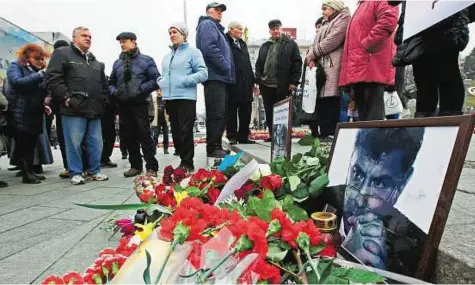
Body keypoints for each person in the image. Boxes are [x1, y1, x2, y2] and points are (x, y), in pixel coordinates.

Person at [340, 128, 426, 276]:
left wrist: (383, 275)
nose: (360, 201)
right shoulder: (323, 200)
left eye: (380, 184)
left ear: (401, 185)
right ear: (350, 160)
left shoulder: (413, 250)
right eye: (357, 174)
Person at [47, 26, 109, 185]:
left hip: (94, 109)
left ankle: (94, 171)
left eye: (90, 36)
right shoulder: (62, 54)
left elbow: (103, 84)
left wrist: (104, 100)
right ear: (74, 38)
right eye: (84, 35)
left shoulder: (96, 62)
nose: (88, 38)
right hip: (73, 108)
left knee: (96, 143)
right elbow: (53, 78)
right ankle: (75, 172)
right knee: (73, 142)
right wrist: (66, 98)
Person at [389, 1, 469, 117]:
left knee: (447, 73)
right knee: (423, 80)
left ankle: (451, 123)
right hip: (418, 25)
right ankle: (424, 124)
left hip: (446, 20)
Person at [109, 32, 160, 177]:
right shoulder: (117, 63)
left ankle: (151, 167)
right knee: (128, 136)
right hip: (123, 105)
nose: (122, 44)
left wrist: (140, 90)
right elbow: (111, 83)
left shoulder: (146, 60)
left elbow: (156, 79)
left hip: (140, 104)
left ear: (134, 42)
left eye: (124, 41)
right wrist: (115, 92)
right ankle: (135, 166)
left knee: (144, 135)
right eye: (120, 42)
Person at [159, 22, 208, 172]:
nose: (172, 35)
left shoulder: (193, 53)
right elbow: (164, 76)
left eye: (175, 32)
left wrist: (184, 80)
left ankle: (187, 163)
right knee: (175, 132)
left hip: (186, 98)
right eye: (170, 33)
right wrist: (161, 82)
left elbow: (203, 73)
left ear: (184, 35)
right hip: (170, 98)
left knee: (185, 131)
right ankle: (183, 159)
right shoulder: (167, 57)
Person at [339, 1, 399, 121]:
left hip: (371, 66)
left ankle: (373, 139)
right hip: (361, 66)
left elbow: (388, 21)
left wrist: (367, 45)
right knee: (365, 118)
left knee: (371, 119)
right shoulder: (363, 4)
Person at [306, 0, 350, 142]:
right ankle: (324, 132)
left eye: (326, 8)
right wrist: (312, 57)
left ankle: (330, 132)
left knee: (331, 99)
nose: (323, 12)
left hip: (333, 65)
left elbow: (331, 41)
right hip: (322, 67)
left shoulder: (343, 18)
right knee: (323, 100)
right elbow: (316, 42)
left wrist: (312, 54)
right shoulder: (327, 22)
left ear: (334, 7)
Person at [6, 43, 50, 184]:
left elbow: (42, 89)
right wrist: (40, 74)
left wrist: (46, 100)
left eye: (42, 58)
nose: (40, 61)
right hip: (20, 111)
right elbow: (18, 82)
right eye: (37, 58)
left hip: (34, 111)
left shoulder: (37, 70)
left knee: (31, 143)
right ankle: (26, 173)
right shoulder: (15, 66)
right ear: (27, 56)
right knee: (23, 143)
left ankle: (30, 171)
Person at [196, 2, 235, 158]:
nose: (220, 12)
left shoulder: (214, 27)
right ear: (208, 12)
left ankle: (216, 145)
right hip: (215, 76)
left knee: (219, 113)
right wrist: (226, 67)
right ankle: (213, 147)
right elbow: (209, 48)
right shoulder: (207, 24)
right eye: (216, 10)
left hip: (219, 77)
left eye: (221, 10)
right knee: (216, 113)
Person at [255, 19, 302, 142]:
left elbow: (297, 63)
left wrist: (294, 81)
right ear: (270, 31)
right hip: (266, 85)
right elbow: (259, 64)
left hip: (282, 84)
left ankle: (283, 135)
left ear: (281, 29)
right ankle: (272, 134)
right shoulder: (265, 46)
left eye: (277, 28)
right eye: (273, 29)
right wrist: (258, 79)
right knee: (269, 111)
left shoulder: (290, 44)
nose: (275, 31)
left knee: (282, 111)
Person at [225, 21, 257, 145]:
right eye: (239, 29)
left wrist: (253, 82)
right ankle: (232, 136)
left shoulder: (243, 44)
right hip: (233, 82)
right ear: (231, 30)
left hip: (246, 83)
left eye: (242, 29)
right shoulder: (226, 42)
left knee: (246, 111)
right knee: (231, 111)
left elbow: (248, 64)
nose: (241, 31)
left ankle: (244, 136)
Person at [100, 75, 118, 168]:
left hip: (109, 114)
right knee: (100, 138)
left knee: (110, 137)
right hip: (99, 114)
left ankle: (105, 158)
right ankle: (101, 159)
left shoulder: (111, 84)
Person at [151, 90, 169, 154]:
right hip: (156, 120)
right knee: (155, 136)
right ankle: (153, 150)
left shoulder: (165, 99)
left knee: (166, 136)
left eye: (160, 91)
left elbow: (169, 109)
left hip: (165, 120)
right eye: (157, 91)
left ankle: (166, 149)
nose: (159, 92)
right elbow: (151, 108)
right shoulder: (153, 99)